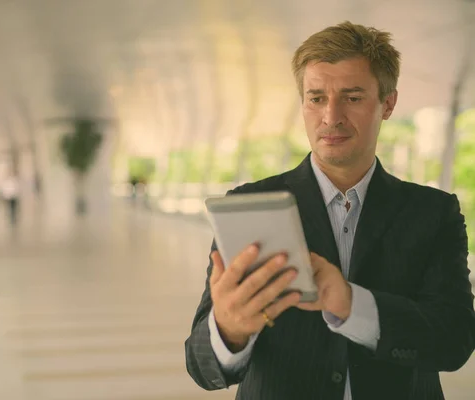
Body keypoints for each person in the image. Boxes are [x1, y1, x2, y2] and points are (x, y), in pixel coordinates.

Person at [184, 21, 475, 400]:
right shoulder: (245, 205)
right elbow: (200, 366)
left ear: (388, 104)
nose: (330, 116)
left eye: (352, 97)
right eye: (316, 97)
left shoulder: (433, 212)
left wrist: (353, 306)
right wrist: (227, 330)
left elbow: (454, 340)